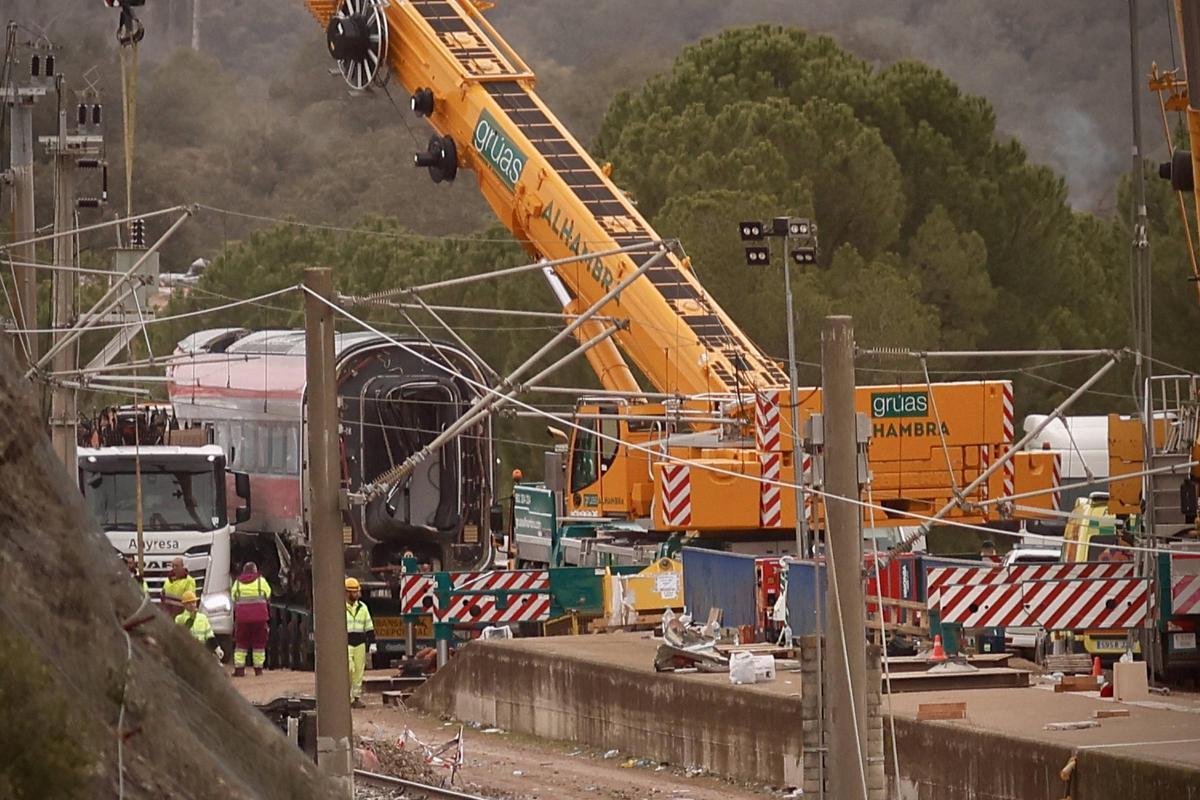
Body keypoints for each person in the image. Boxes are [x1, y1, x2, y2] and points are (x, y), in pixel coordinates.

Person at [231, 561, 272, 677]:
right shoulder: (261, 581)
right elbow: (268, 595)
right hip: (260, 619)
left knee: (241, 643)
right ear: (255, 570)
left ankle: (239, 669)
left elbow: (233, 597)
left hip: (242, 619)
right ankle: (258, 670)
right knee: (259, 643)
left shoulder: (237, 583)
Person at [345, 577, 375, 708]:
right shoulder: (340, 608)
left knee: (358, 671)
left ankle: (355, 698)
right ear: (347, 593)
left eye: (357, 591)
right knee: (349, 669)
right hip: (346, 643)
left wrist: (372, 642)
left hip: (360, 644)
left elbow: (369, 626)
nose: (357, 594)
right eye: (354, 592)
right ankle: (347, 696)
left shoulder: (363, 608)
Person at [175, 590, 221, 658]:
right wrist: (192, 618)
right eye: (189, 603)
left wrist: (217, 648)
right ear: (184, 605)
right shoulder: (179, 619)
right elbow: (182, 633)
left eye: (193, 602)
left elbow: (209, 635)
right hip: (186, 652)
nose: (192, 605)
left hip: (201, 652)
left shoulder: (203, 618)